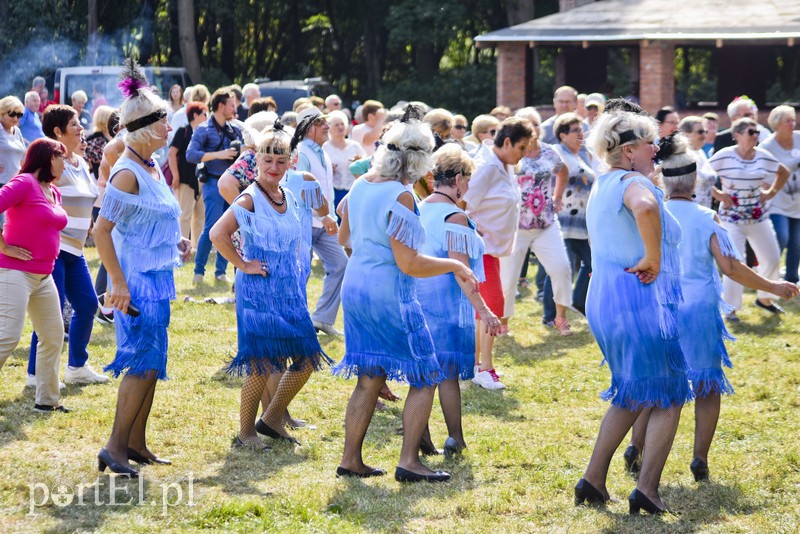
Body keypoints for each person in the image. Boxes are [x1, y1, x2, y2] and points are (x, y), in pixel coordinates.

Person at [333, 111, 479, 482]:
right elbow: (410, 263)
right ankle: (409, 461)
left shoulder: (361, 184)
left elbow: (343, 239)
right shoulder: (401, 194)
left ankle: (351, 459)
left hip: (355, 287)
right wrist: (454, 265)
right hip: (389, 294)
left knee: (369, 376)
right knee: (426, 375)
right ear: (418, 161)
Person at [655, 134, 798, 482]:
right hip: (699, 310)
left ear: (663, 179)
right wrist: (774, 286)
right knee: (706, 385)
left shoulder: (650, 212)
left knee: (656, 383)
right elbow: (731, 268)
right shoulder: (708, 218)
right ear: (695, 183)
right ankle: (699, 458)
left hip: (659, 308)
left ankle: (637, 447)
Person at [574, 108, 693, 515]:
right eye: (647, 142)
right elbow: (644, 207)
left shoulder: (603, 182)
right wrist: (654, 257)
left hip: (606, 296)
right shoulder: (632, 181)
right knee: (669, 393)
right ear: (628, 151)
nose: (655, 147)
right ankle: (647, 489)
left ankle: (592, 479)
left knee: (631, 391)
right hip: (635, 297)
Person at [93, 60, 191, 476]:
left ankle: (136, 442)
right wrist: (117, 282)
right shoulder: (127, 173)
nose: (169, 130)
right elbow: (101, 231)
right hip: (134, 282)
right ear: (147, 127)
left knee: (152, 360)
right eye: (164, 123)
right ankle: (114, 447)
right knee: (139, 362)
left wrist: (176, 241)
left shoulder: (150, 167)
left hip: (157, 277)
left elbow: (150, 219)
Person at [210, 128, 331, 449]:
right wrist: (243, 263)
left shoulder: (288, 195)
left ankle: (273, 418)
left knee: (307, 357)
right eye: (267, 160)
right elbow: (217, 234)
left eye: (280, 161)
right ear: (256, 161)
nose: (273, 167)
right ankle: (246, 432)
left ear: (290, 162)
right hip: (258, 290)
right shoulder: (249, 197)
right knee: (262, 364)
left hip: (287, 291)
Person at [417, 144, 501, 456]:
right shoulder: (454, 217)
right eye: (467, 179)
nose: (468, 186)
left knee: (423, 373)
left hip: (417, 298)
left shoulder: (419, 206)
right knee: (447, 373)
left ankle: (423, 435)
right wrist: (485, 310)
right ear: (456, 179)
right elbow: (461, 271)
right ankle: (455, 436)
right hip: (446, 306)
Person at [27, 104, 106, 385]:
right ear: (58, 132)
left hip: (76, 250)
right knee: (52, 310)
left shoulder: (80, 163)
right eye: (74, 125)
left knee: (87, 305)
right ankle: (36, 374)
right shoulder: (52, 162)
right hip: (55, 249)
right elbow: (31, 190)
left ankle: (77, 367)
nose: (81, 128)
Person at [0, 138, 69, 412]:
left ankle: (47, 402)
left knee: (53, 336)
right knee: (8, 336)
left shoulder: (53, 190)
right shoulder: (25, 182)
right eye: (61, 156)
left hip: (44, 275)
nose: (66, 161)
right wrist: (3, 245)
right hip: (14, 272)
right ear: (48, 157)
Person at [464, 117, 533, 390]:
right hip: (481, 249)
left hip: (492, 250)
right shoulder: (487, 167)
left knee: (487, 309)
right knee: (491, 306)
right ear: (506, 142)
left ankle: (475, 364)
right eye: (522, 148)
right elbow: (463, 203)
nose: (524, 154)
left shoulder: (504, 164)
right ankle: (484, 367)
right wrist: (475, 232)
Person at [500, 108, 573, 335]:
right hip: (515, 227)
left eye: (535, 125)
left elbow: (563, 172)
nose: (533, 130)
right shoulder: (510, 155)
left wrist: (557, 197)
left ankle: (561, 318)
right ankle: (503, 323)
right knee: (507, 279)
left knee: (561, 269)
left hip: (545, 224)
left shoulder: (549, 153)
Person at [708, 117, 789, 320]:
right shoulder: (724, 155)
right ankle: (731, 309)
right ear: (737, 135)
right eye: (750, 132)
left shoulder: (763, 156)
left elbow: (783, 172)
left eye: (757, 132)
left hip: (758, 217)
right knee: (736, 262)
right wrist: (718, 194)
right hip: (731, 219)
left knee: (771, 257)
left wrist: (770, 192)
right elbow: (702, 176)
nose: (755, 136)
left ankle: (765, 298)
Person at [293, 106, 348, 336]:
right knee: (299, 272)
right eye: (321, 123)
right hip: (304, 223)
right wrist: (323, 215)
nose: (327, 126)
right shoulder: (301, 152)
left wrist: (328, 216)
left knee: (341, 264)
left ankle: (322, 319)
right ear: (308, 128)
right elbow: (299, 190)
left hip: (324, 223)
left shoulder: (322, 151)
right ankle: (294, 322)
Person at [187, 88, 243, 284]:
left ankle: (221, 271)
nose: (235, 108)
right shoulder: (203, 129)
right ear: (221, 105)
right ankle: (198, 272)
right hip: (212, 182)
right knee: (211, 227)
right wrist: (218, 155)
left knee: (232, 229)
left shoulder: (234, 129)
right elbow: (190, 154)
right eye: (232, 105)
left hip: (232, 185)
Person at [550, 112, 596, 319]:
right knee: (561, 269)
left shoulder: (580, 155)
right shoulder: (556, 153)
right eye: (575, 130)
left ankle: (578, 301)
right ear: (562, 135)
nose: (581, 134)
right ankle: (551, 315)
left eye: (582, 130)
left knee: (592, 264)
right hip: (563, 220)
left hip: (581, 223)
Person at [761, 105, 800, 285]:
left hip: (797, 202)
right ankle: (770, 276)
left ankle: (792, 278)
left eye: (793, 120)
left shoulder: (799, 138)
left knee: (797, 242)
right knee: (782, 236)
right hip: (777, 201)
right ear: (777, 124)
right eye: (788, 121)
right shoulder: (767, 146)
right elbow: (761, 174)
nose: (793, 124)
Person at [168, 101, 208, 252]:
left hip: (201, 179)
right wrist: (175, 176)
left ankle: (196, 247)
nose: (207, 117)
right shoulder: (183, 131)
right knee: (184, 215)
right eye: (205, 114)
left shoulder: (204, 133)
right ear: (196, 116)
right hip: (185, 179)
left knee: (200, 215)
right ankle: (181, 247)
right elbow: (172, 153)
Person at [323, 110, 366, 224]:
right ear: (329, 128)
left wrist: (359, 162)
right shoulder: (325, 148)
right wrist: (328, 169)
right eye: (336, 124)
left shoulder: (354, 146)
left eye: (342, 124)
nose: (340, 127)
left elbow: (366, 165)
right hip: (333, 192)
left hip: (353, 191)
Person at [0, 96, 28, 225]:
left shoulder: (16, 131)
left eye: (19, 115)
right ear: (2, 112)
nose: (16, 118)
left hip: (15, 184)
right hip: (1, 183)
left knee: (12, 225)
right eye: (12, 114)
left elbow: (24, 155)